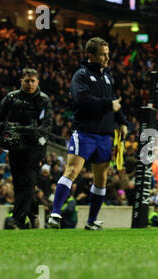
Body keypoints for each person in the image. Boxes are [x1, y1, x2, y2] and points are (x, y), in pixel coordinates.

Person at [47, 37, 129, 231]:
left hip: (104, 137)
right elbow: (82, 99)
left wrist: (122, 122)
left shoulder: (107, 77)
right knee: (72, 171)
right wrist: (109, 105)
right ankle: (55, 214)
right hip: (84, 132)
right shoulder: (81, 76)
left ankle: (91, 221)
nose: (108, 58)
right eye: (103, 54)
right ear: (91, 55)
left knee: (101, 180)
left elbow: (113, 102)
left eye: (108, 54)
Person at [0, 68, 52, 229]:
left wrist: (32, 134)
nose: (30, 84)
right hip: (15, 147)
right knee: (19, 183)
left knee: (28, 181)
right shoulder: (11, 98)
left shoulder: (44, 100)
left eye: (32, 81)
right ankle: (32, 212)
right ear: (21, 81)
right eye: (27, 81)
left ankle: (17, 220)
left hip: (34, 148)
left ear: (38, 82)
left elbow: (46, 126)